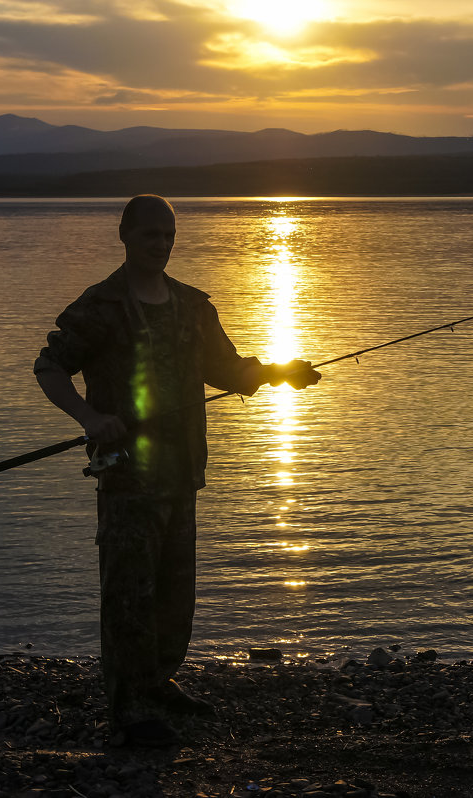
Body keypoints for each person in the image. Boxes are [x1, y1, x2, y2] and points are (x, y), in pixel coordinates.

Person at [33, 195, 320, 746]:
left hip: (182, 470)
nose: (161, 244)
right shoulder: (102, 306)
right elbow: (49, 367)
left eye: (168, 235)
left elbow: (226, 369)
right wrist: (91, 417)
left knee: (174, 592)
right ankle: (128, 711)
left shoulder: (192, 305)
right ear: (125, 236)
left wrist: (281, 372)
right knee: (128, 592)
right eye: (149, 235)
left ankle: (159, 683)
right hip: (126, 475)